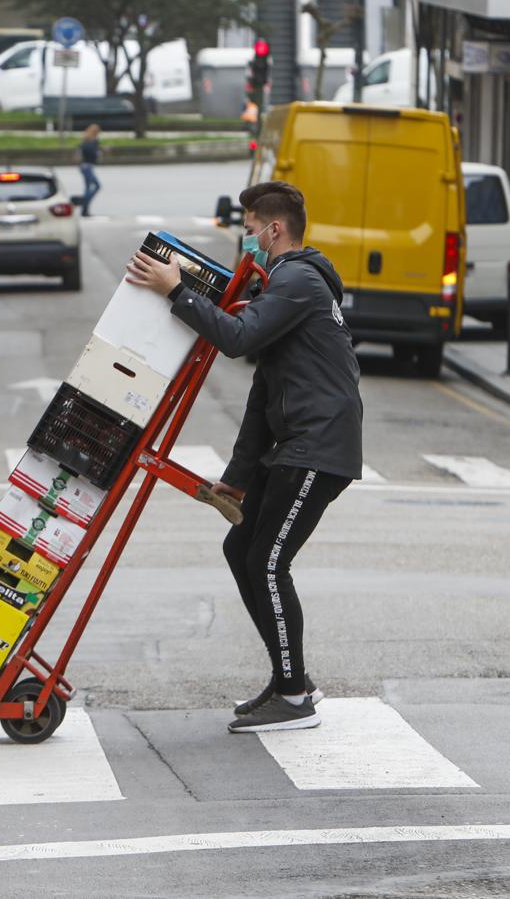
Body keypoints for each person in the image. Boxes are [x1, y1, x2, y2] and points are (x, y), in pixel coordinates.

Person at [124, 181, 363, 734]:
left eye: (251, 226)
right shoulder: (285, 282)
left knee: (268, 562)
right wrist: (237, 478)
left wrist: (175, 290)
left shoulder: (297, 280)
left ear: (274, 229)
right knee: (241, 548)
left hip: (318, 446)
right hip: (295, 444)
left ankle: (294, 694)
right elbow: (262, 391)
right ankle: (288, 679)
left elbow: (235, 337)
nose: (247, 237)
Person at [78, 124, 102, 216]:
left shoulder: (85, 140)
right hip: (87, 167)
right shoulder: (93, 142)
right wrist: (98, 152)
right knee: (97, 186)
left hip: (84, 166)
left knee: (87, 188)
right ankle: (83, 201)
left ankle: (84, 210)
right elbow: (93, 154)